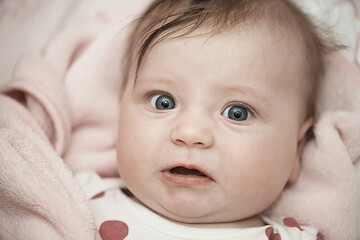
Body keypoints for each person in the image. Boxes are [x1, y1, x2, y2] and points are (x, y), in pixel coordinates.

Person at [76, 0, 337, 239]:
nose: (190, 133)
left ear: (297, 148)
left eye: (238, 113)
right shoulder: (79, 200)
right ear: (121, 110)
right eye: (163, 102)